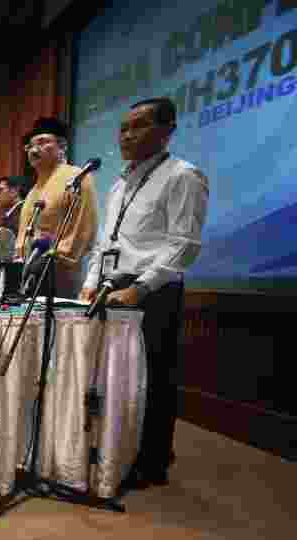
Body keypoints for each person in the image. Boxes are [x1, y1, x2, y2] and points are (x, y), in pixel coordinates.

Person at [79, 98, 208, 488]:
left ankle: (152, 462)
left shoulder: (182, 175)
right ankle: (118, 449)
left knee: (152, 378)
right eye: (122, 128)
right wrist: (90, 282)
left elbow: (183, 243)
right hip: (110, 287)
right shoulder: (120, 182)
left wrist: (140, 288)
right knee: (117, 377)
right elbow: (106, 241)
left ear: (167, 130)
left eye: (138, 126)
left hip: (152, 290)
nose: (126, 135)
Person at [15, 117, 98, 298]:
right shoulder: (33, 190)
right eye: (30, 145)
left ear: (62, 147)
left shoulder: (76, 177)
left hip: (58, 272)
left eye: (43, 142)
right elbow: (24, 234)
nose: (34, 150)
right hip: (27, 273)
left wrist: (54, 259)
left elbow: (83, 228)